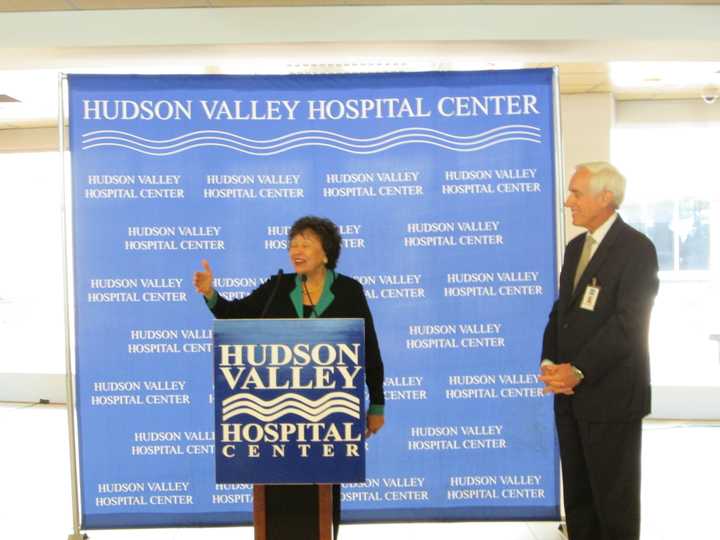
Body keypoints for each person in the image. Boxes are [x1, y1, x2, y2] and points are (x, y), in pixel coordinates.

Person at [193, 215, 385, 539]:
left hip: (329, 419)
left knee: (322, 501)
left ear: (326, 253)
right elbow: (234, 316)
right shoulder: (278, 287)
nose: (297, 250)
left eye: (306, 244)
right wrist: (211, 293)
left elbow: (369, 350)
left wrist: (376, 405)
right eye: (293, 244)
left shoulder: (350, 291)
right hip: (276, 423)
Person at [539, 162, 658, 540]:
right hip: (571, 399)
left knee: (614, 504)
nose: (568, 201)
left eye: (576, 193)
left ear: (605, 198)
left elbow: (629, 324)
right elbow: (562, 314)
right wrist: (550, 362)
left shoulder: (637, 249)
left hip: (612, 399)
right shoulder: (576, 249)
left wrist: (579, 369)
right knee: (579, 501)